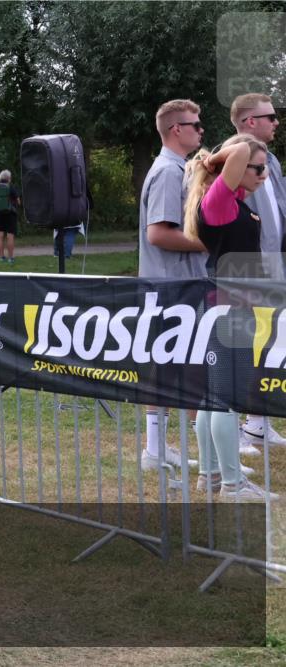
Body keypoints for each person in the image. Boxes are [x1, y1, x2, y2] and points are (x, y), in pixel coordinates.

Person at [183, 134, 279, 501]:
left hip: (231, 305)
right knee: (226, 398)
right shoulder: (220, 202)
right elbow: (239, 150)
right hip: (226, 308)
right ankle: (233, 485)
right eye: (257, 168)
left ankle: (210, 476)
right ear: (234, 168)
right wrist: (215, 160)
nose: (263, 175)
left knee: (215, 397)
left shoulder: (235, 203)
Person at [137, 99, 208, 473]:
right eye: (195, 125)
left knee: (177, 364)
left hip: (179, 284)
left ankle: (162, 448)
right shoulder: (167, 172)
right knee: (167, 365)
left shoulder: (179, 168)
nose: (201, 130)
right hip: (171, 286)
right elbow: (158, 233)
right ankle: (155, 449)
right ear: (176, 129)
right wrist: (210, 242)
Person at [229, 93, 286, 453]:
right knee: (242, 343)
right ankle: (236, 423)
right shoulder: (233, 157)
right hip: (245, 265)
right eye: (270, 117)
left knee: (268, 341)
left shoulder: (272, 160)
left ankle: (258, 422)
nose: (276, 122)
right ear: (250, 121)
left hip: (274, 264)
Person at [0, 170, 21, 263]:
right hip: (10, 214)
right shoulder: (11, 187)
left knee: (0, 236)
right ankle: (10, 258)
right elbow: (18, 201)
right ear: (9, 178)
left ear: (0, 178)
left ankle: (1, 257)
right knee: (10, 236)